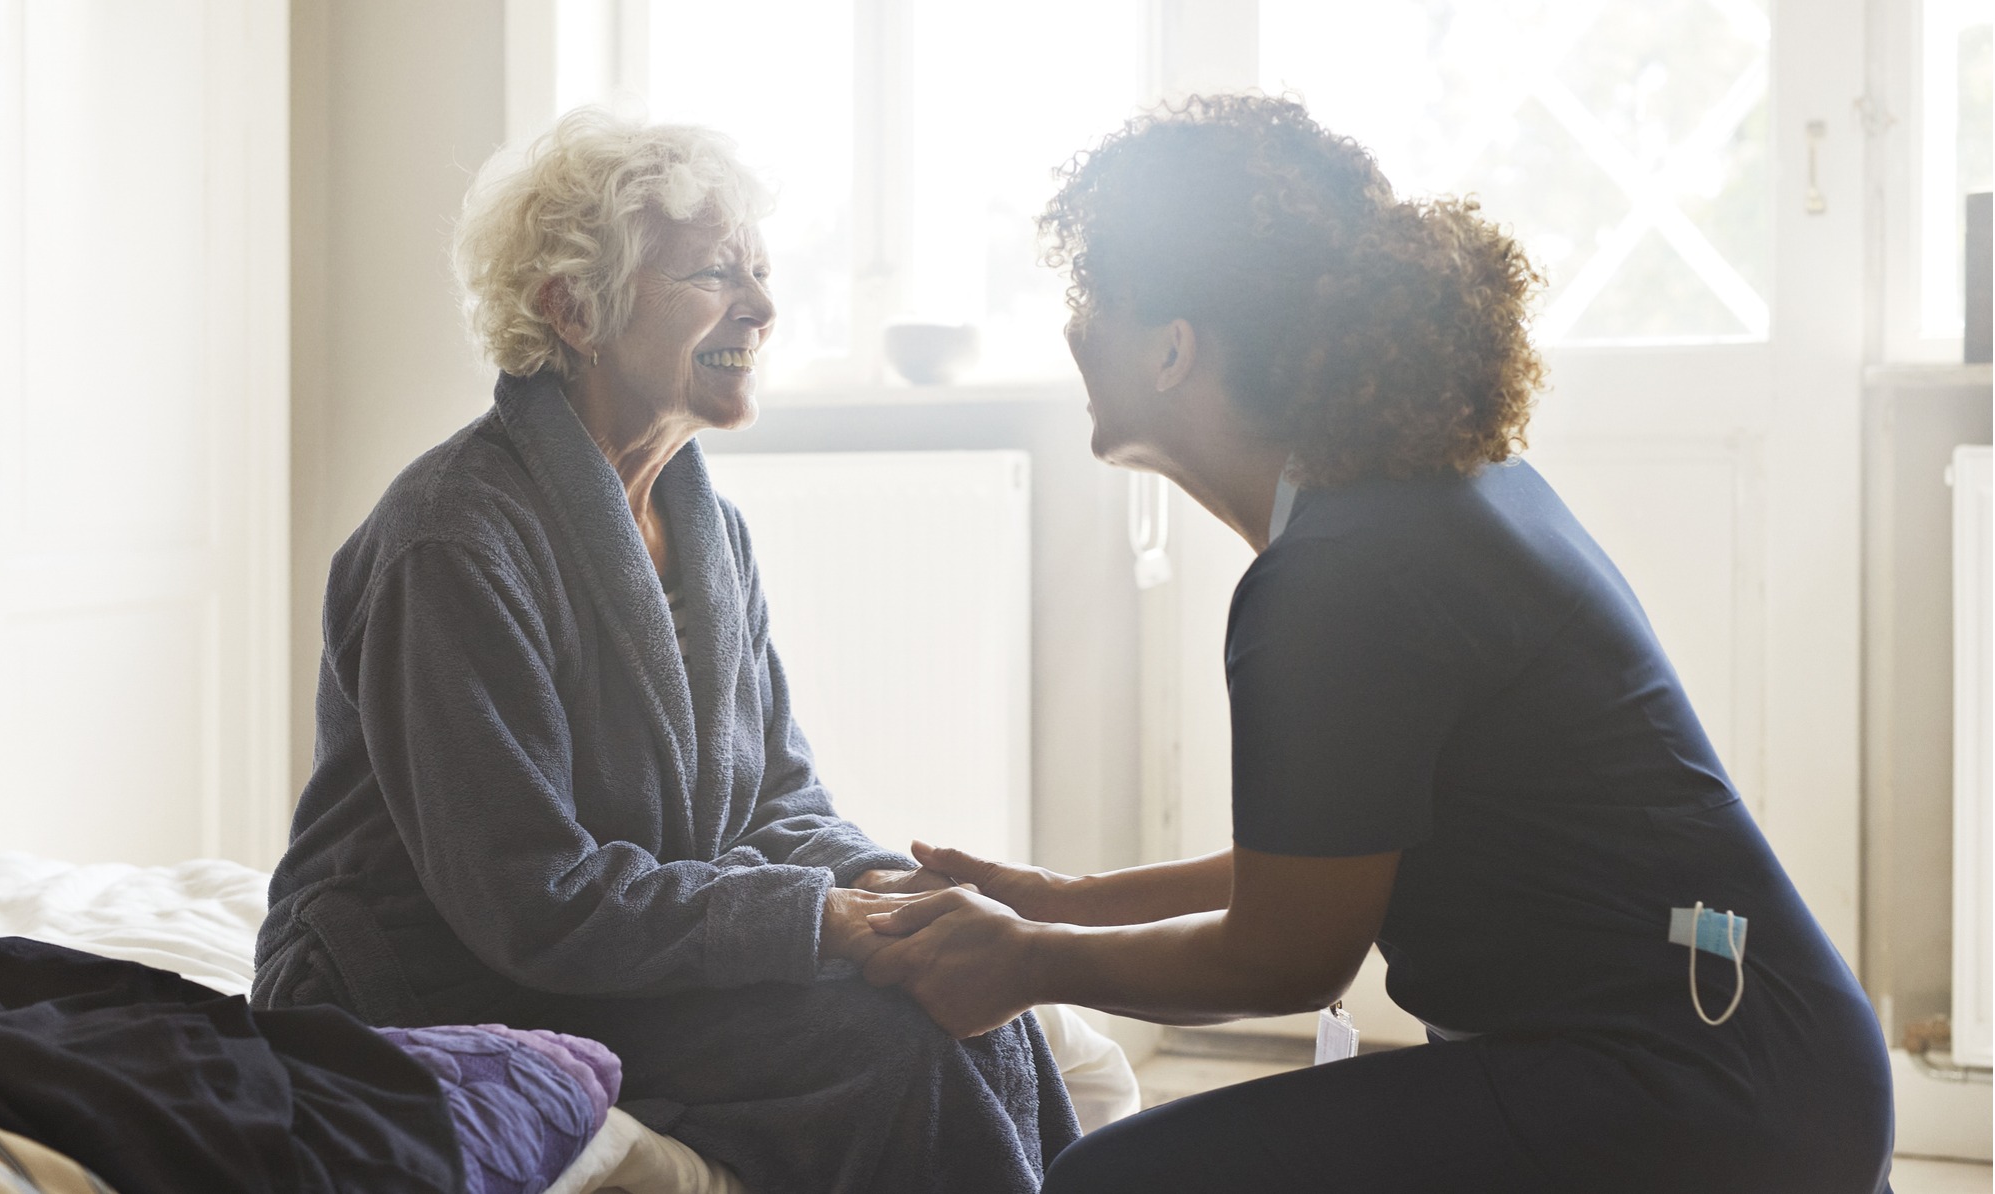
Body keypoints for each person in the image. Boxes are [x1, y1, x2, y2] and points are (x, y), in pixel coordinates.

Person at [862, 94, 1895, 1194]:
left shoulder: (1338, 579)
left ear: (1173, 347)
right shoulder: (1420, 502)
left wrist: (1024, 961)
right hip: (1780, 1072)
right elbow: (1334, 862)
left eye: (1089, 297)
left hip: (1701, 1100)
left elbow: (1289, 956)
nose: (1070, 329)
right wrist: (1065, 899)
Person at [252, 109, 1078, 1193]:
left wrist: (887, 894)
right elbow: (528, 897)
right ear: (573, 309)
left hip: (606, 958)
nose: (765, 306)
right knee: (886, 1046)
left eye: (763, 271)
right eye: (713, 275)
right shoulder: (452, 538)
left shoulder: (710, 532)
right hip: (421, 978)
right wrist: (817, 924)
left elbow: (776, 796)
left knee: (975, 1005)